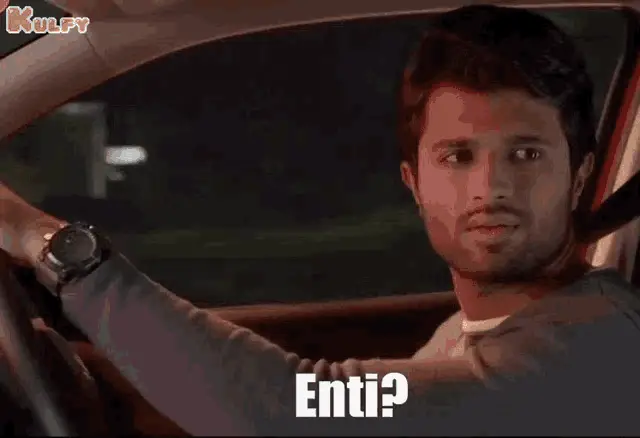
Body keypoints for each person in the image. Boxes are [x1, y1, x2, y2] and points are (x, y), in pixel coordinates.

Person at [0, 4, 639, 436]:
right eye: (458, 156)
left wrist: (45, 242)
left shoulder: (592, 355)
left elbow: (291, 405)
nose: (492, 186)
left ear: (579, 175)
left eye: (526, 154)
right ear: (414, 183)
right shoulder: (472, 336)